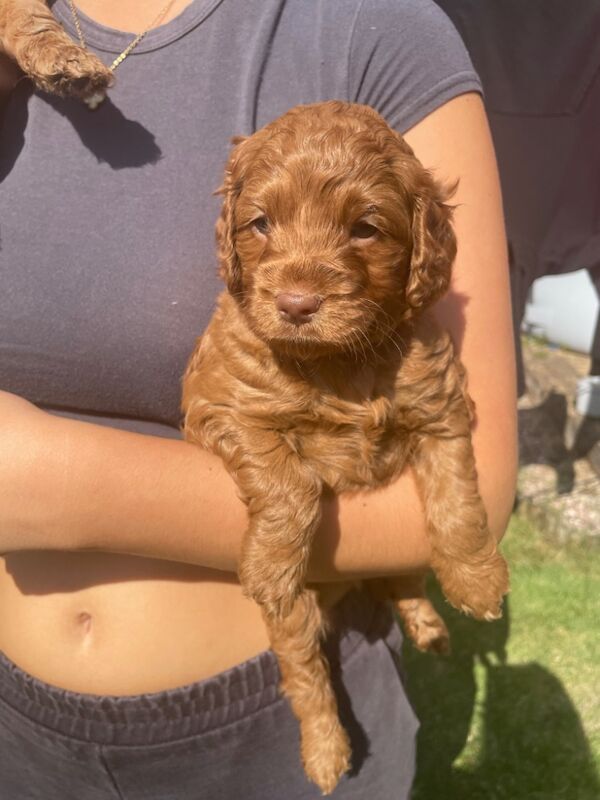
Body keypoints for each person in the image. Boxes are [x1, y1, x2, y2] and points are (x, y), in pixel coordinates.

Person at [0, 0, 517, 797]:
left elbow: (465, 472)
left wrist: (64, 486)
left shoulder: (371, 28)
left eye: (362, 230)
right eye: (262, 226)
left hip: (262, 731)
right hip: (16, 728)